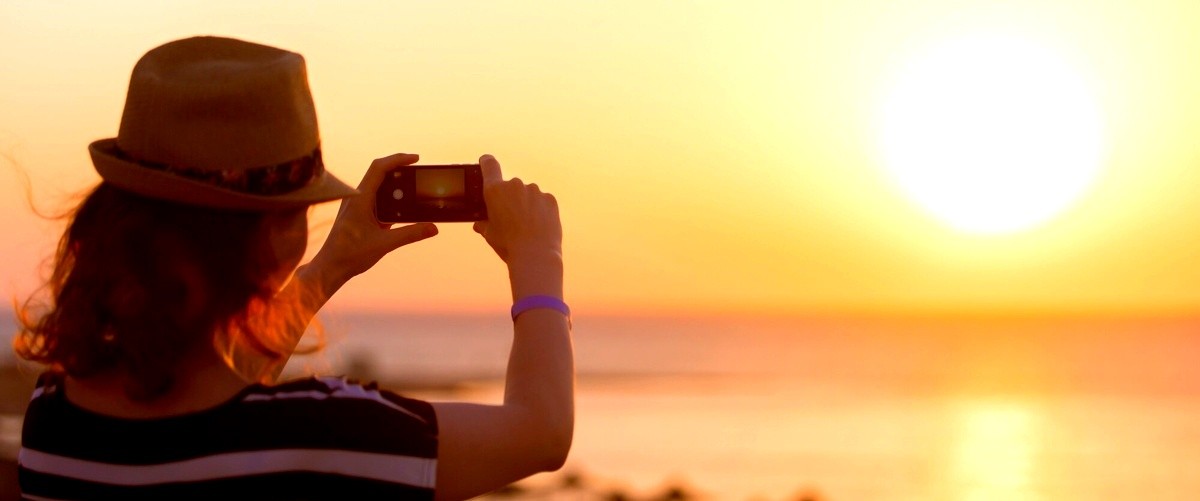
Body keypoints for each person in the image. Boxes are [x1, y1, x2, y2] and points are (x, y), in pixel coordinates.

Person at [13, 36, 573, 500]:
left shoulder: (53, 422)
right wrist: (538, 262)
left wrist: (331, 266)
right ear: (274, 240)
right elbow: (540, 433)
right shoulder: (327, 434)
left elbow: (222, 391)